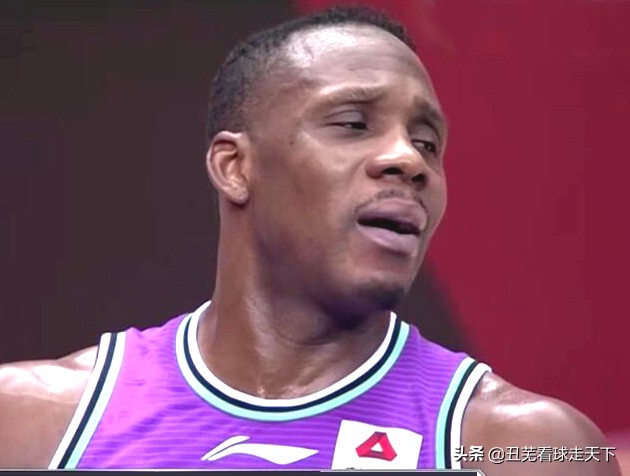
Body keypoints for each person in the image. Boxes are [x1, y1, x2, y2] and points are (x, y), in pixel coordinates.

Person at [0, 6, 621, 474]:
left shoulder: (528, 448)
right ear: (235, 167)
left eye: (427, 142)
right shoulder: (30, 421)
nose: (410, 160)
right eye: (353, 124)